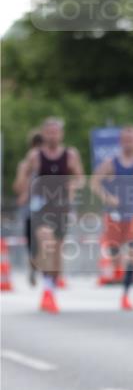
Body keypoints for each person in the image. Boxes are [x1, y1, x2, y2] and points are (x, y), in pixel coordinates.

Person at [15, 117, 85, 313]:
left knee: (56, 254)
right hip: (41, 208)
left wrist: (72, 186)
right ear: (44, 134)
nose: (53, 135)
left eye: (56, 132)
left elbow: (80, 178)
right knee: (46, 245)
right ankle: (47, 292)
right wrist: (24, 188)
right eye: (49, 132)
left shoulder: (70, 155)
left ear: (61, 134)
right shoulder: (35, 156)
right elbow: (23, 177)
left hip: (61, 207)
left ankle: (50, 289)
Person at [91, 125, 133, 310]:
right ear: (121, 141)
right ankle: (118, 271)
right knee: (114, 253)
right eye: (126, 139)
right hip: (113, 215)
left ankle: (126, 295)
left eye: (132, 139)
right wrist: (108, 197)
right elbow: (94, 182)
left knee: (132, 252)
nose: (129, 143)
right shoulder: (111, 163)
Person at [12, 130, 42, 286]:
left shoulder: (48, 162)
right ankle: (34, 266)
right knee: (32, 243)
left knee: (45, 239)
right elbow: (17, 187)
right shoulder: (24, 164)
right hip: (30, 209)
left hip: (46, 208)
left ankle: (41, 267)